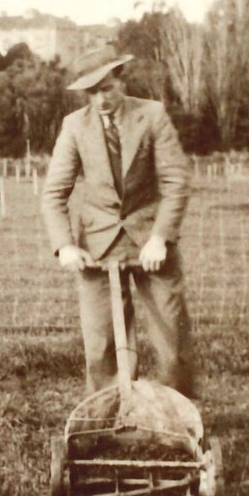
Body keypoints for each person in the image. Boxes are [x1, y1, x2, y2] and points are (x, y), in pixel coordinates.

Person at [40, 45, 195, 397]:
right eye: (91, 92)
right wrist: (65, 245)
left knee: (172, 335)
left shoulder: (152, 116)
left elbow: (176, 181)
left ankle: (176, 416)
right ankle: (108, 416)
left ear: (120, 81)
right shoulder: (74, 127)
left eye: (106, 88)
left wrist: (161, 237)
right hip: (98, 244)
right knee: (103, 343)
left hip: (150, 238)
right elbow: (54, 193)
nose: (100, 99)